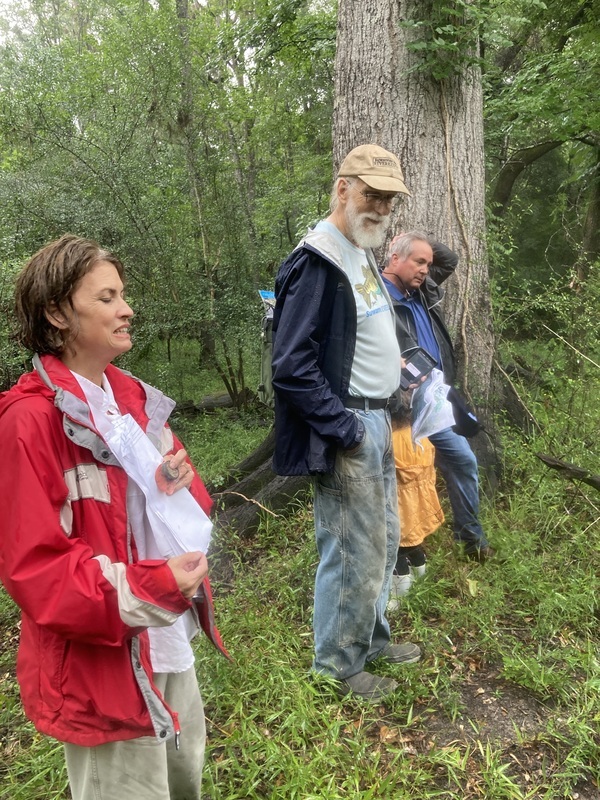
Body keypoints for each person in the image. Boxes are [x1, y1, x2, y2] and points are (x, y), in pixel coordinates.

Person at [0, 234, 228, 800]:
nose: (127, 310)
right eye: (107, 298)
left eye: (122, 295)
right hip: (101, 671)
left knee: (183, 783)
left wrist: (177, 481)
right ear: (57, 312)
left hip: (166, 639)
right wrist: (154, 585)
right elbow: (38, 572)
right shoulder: (28, 423)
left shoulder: (129, 402)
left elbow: (174, 503)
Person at [271, 144, 422, 702]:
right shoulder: (318, 259)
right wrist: (345, 427)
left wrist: (398, 384)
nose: (380, 207)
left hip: (377, 419)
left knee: (381, 539)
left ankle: (371, 639)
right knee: (351, 546)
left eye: (387, 198)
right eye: (370, 194)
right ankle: (337, 666)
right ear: (342, 188)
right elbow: (291, 364)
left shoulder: (358, 251)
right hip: (350, 426)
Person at [382, 231, 495, 561]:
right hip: (402, 405)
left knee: (462, 460)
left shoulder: (422, 290)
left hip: (436, 400)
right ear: (394, 259)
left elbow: (450, 260)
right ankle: (401, 551)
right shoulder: (377, 296)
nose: (425, 269)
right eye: (418, 261)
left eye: (427, 264)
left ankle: (470, 538)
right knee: (402, 476)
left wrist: (416, 239)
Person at [387, 405, 445, 613]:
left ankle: (399, 597)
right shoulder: (421, 438)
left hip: (400, 507)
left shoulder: (389, 443)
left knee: (395, 551)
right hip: (421, 504)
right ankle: (422, 577)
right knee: (413, 544)